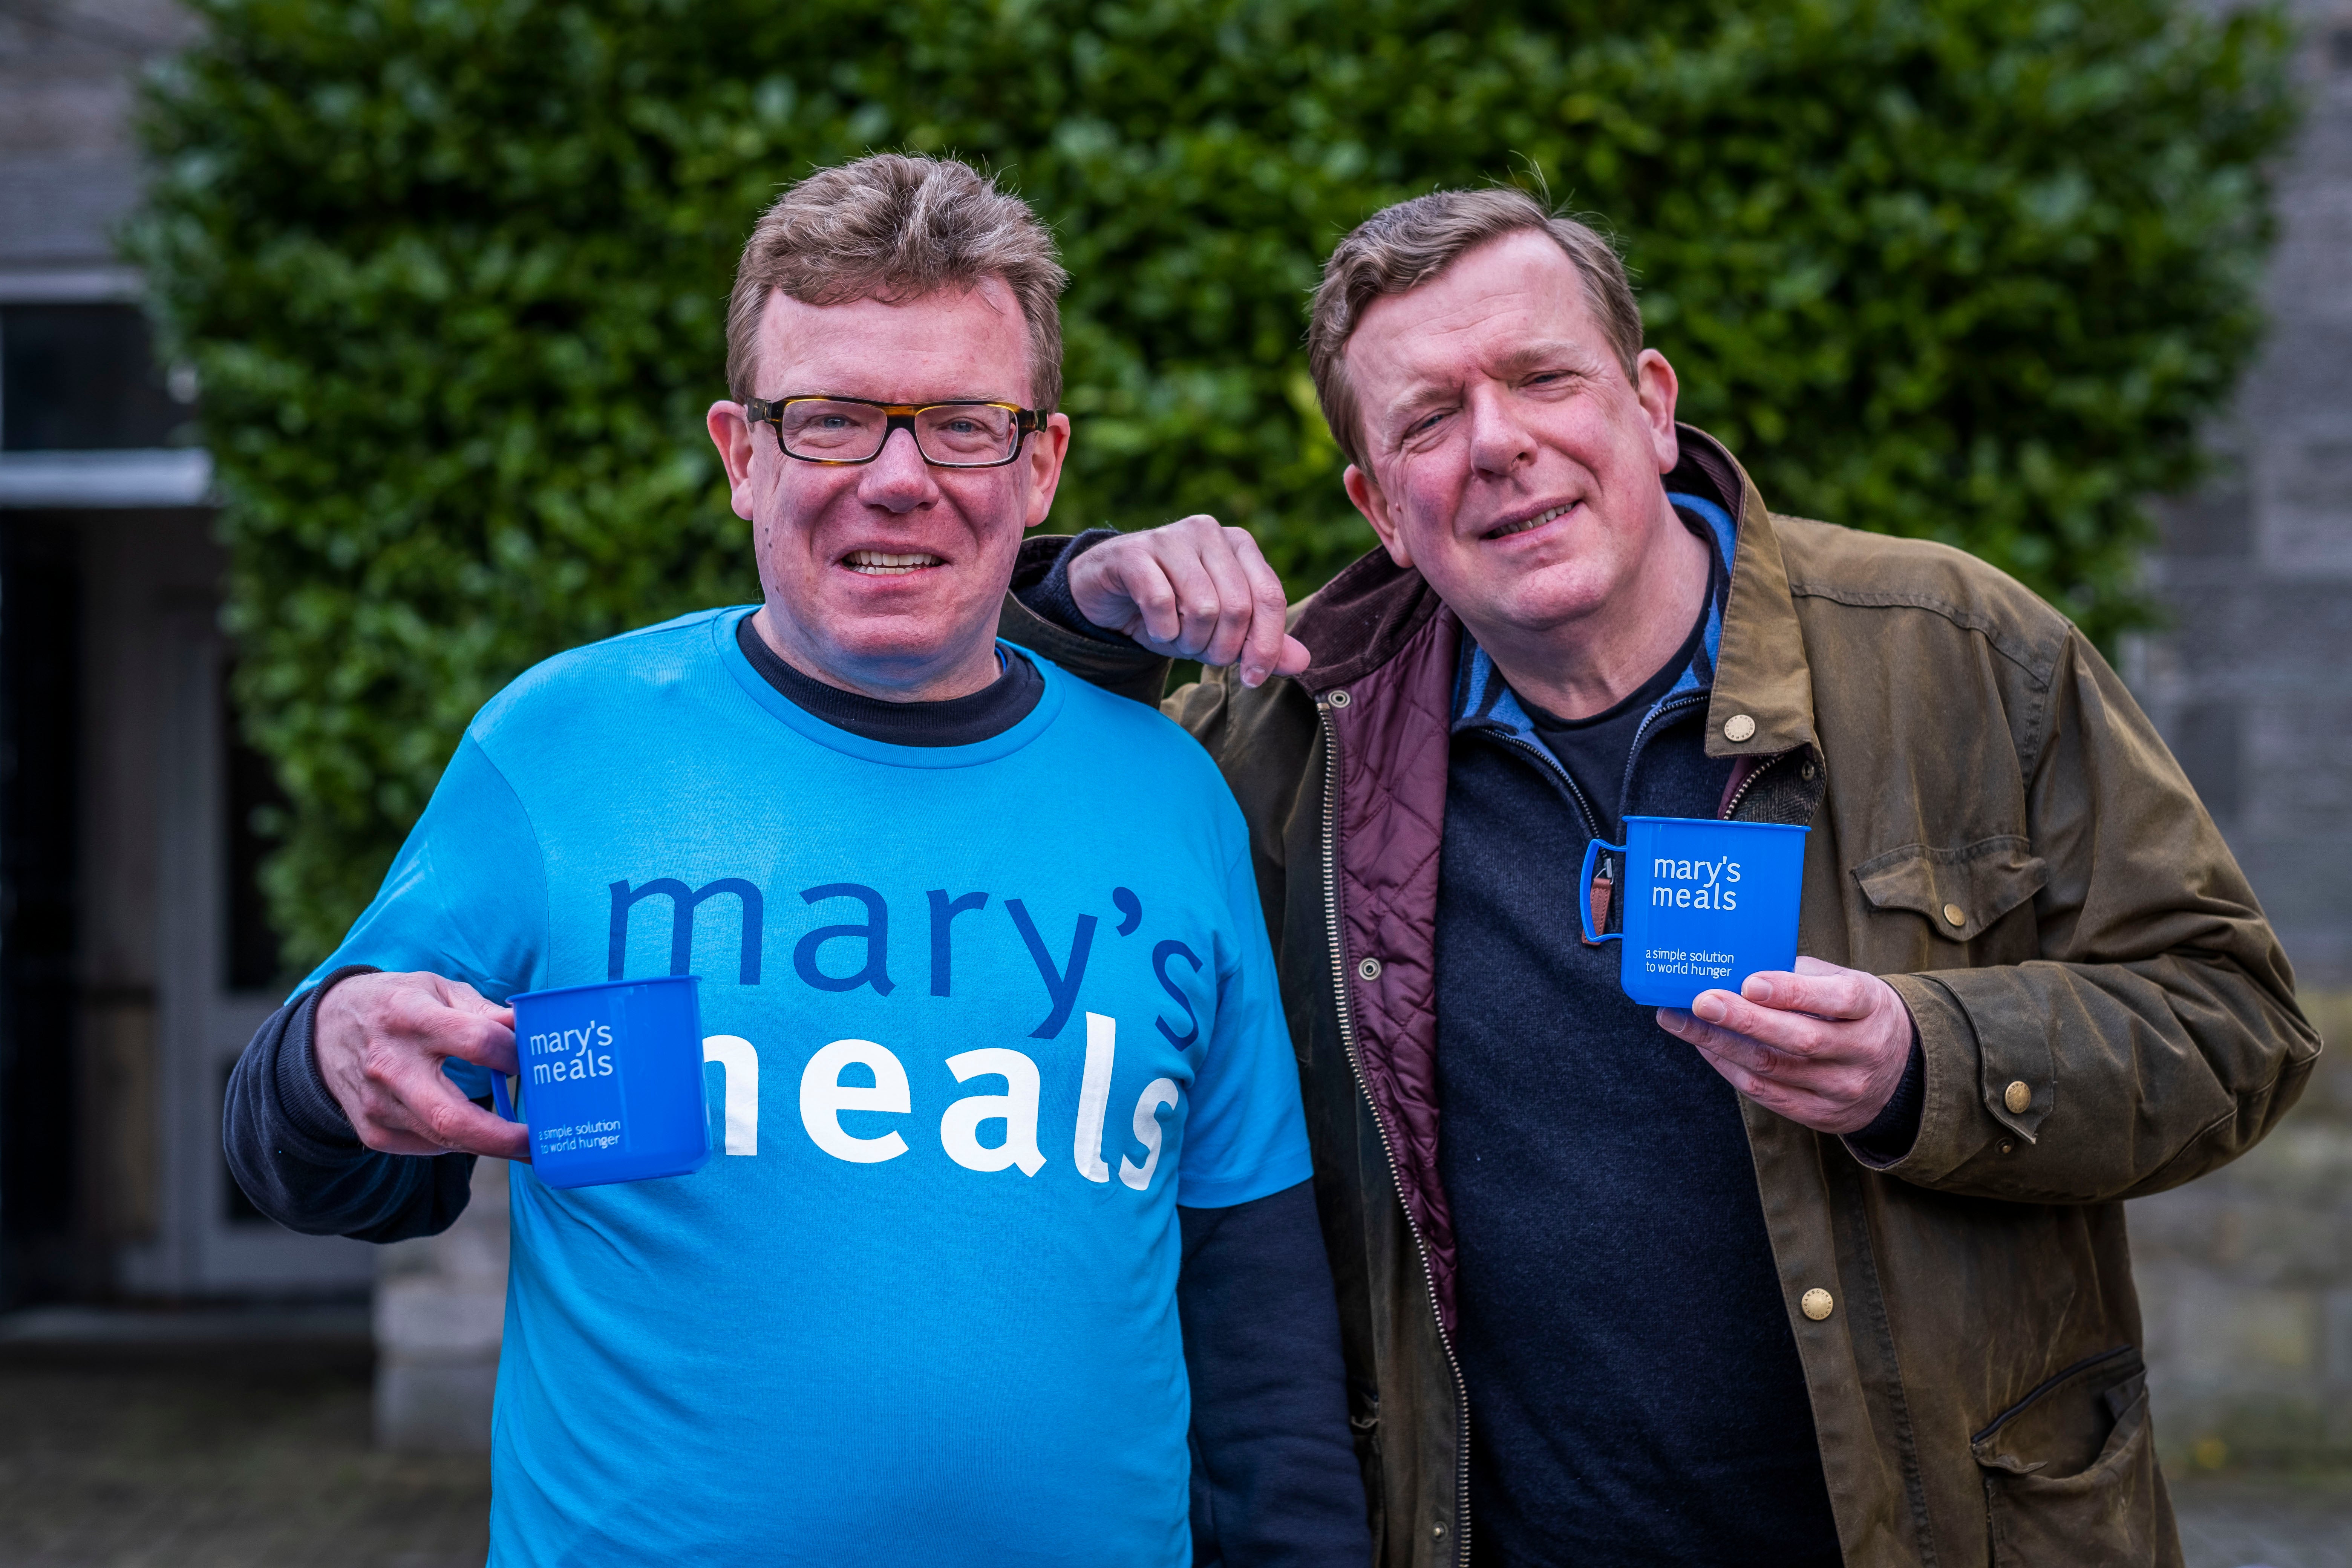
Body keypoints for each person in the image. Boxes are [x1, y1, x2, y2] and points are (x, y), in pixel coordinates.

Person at [996, 187, 2321, 1566]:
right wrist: (1083, 605)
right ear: (1380, 508)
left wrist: (1927, 1064)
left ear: (1651, 402)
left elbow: (2238, 1022)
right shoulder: (1284, 751)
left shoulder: (1958, 653)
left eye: (1541, 378)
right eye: (1429, 422)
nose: (1500, 445)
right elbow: (1002, 818)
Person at [223, 153, 1367, 1568]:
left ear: (1042, 462)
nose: (898, 481)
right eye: (831, 421)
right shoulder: (558, 747)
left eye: (961, 425)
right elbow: (341, 1168)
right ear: (741, 454)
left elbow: (1257, 1325)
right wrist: (328, 1054)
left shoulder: (1168, 793)